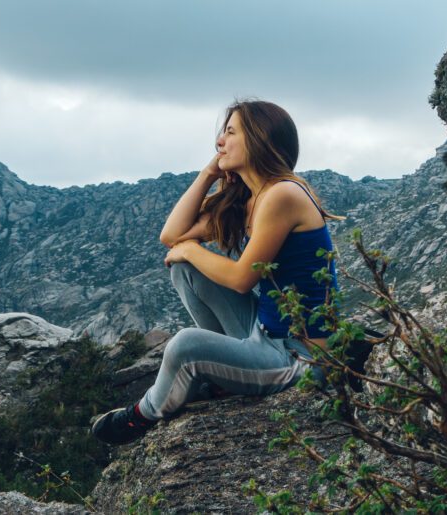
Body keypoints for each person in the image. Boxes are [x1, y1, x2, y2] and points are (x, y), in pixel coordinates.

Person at [92, 99, 341, 445]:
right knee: (184, 269)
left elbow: (242, 278)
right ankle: (223, 378)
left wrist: (192, 249)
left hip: (297, 356)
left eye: (230, 132)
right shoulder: (252, 198)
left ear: (259, 140)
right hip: (265, 332)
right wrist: (209, 173)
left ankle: (143, 415)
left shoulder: (284, 194)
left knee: (185, 344)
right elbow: (171, 236)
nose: (219, 142)